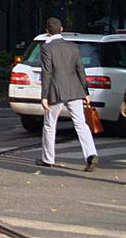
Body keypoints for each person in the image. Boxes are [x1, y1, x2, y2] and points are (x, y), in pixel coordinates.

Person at [37, 16, 98, 171]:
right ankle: (91, 155)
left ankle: (48, 159)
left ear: (47, 31)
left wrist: (44, 96)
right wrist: (86, 91)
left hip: (55, 91)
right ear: (62, 29)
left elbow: (47, 72)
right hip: (75, 89)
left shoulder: (46, 48)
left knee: (50, 124)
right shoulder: (73, 47)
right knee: (80, 123)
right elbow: (80, 70)